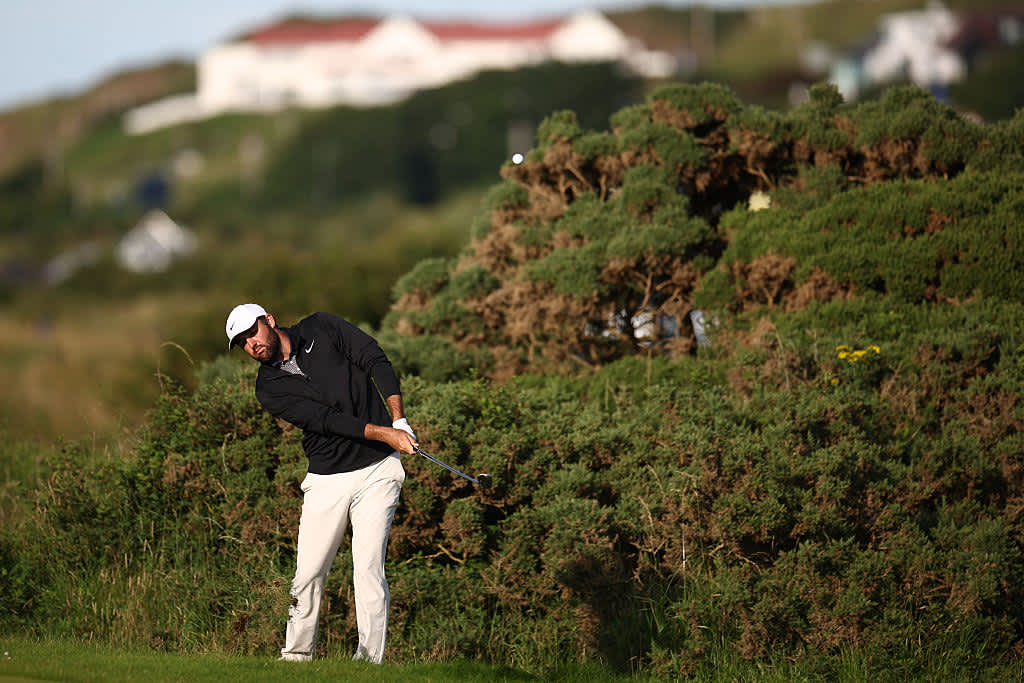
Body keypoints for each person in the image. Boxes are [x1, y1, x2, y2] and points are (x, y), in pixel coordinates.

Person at [225, 303, 418, 664]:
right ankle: (296, 656)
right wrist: (387, 434)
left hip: (379, 471)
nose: (251, 345)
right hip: (327, 478)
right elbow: (326, 420)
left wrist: (400, 419)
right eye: (242, 343)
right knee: (308, 573)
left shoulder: (322, 328)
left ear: (268, 320)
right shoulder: (268, 389)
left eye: (252, 333)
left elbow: (375, 358)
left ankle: (369, 661)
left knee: (368, 569)